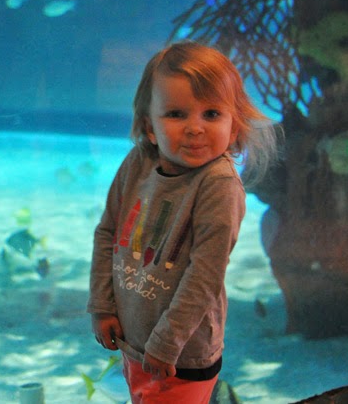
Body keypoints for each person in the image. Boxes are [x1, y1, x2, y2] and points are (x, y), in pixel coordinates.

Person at [88, 41, 278, 403]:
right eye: (176, 114)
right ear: (150, 127)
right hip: (134, 343)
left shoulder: (218, 185)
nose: (194, 128)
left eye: (211, 114)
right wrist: (102, 305)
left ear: (234, 126)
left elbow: (205, 275)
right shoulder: (138, 163)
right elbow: (107, 233)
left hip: (179, 356)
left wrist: (167, 341)